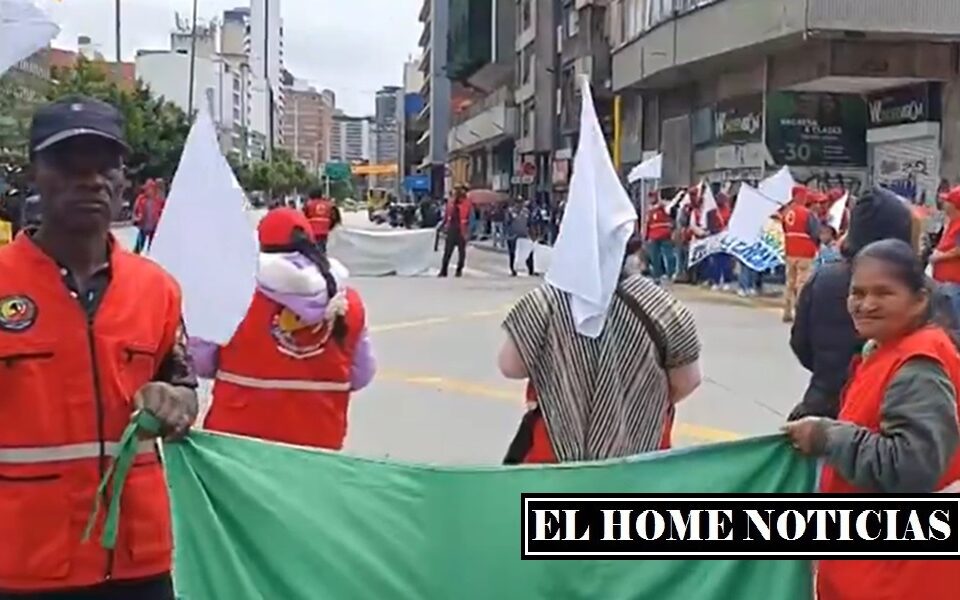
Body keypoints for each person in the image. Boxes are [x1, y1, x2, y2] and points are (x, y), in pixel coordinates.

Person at [0, 96, 198, 599]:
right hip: (22, 562)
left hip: (138, 561)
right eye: (68, 165)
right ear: (35, 175)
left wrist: (175, 403)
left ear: (123, 178)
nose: (89, 180)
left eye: (104, 166)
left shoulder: (159, 289)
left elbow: (183, 386)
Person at [783, 239, 959, 600]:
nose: (865, 304)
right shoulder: (887, 350)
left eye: (884, 293)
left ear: (920, 299)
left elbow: (912, 465)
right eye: (857, 293)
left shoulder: (919, 365)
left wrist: (827, 437)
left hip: (898, 579)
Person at [498, 202, 702, 463]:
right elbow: (688, 380)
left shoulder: (546, 300)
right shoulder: (662, 305)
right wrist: (635, 402)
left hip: (554, 464)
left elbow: (510, 366)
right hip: (642, 465)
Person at [192, 208, 375, 449]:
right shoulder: (348, 301)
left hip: (236, 444)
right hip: (319, 446)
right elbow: (361, 375)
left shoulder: (235, 297)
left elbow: (200, 362)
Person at [788, 186, 914, 420]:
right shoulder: (918, 290)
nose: (866, 304)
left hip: (823, 407)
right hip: (887, 416)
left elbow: (800, 343)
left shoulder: (823, 279)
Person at [779, 185, 820, 322]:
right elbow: (814, 232)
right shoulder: (807, 213)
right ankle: (800, 313)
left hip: (790, 249)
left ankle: (787, 311)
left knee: (790, 281)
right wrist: (816, 245)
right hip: (805, 250)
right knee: (802, 282)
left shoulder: (786, 213)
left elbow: (785, 230)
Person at [929, 185, 960, 317]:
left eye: (948, 201)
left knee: (953, 324)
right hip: (945, 282)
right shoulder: (953, 223)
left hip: (953, 284)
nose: (944, 204)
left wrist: (939, 257)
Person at [439, 187, 472, 278]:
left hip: (462, 230)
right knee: (447, 252)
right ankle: (444, 270)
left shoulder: (467, 204)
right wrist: (442, 226)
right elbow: (446, 217)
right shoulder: (450, 203)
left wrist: (469, 231)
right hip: (452, 230)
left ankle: (459, 270)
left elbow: (470, 218)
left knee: (461, 253)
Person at [645, 192, 676, 284]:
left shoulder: (664, 207)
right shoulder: (650, 211)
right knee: (655, 257)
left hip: (664, 235)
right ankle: (657, 275)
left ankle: (670, 274)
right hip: (653, 236)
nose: (651, 199)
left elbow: (671, 206)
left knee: (668, 255)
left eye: (652, 197)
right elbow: (647, 224)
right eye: (650, 197)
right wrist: (646, 236)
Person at [132, 178, 165, 254]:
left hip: (153, 227)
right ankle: (136, 257)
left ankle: (151, 255)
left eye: (150, 189)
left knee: (153, 246)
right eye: (147, 189)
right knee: (139, 246)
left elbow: (162, 209)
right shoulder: (141, 199)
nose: (148, 191)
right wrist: (136, 218)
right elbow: (135, 210)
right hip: (144, 226)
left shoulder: (158, 200)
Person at [505, 196, 535, 277]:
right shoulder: (510, 211)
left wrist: (532, 234)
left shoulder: (526, 212)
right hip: (513, 236)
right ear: (515, 203)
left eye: (521, 202)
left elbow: (530, 223)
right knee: (513, 254)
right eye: (518, 202)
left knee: (529, 253)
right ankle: (513, 269)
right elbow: (507, 223)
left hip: (524, 235)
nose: (520, 204)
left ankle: (531, 269)